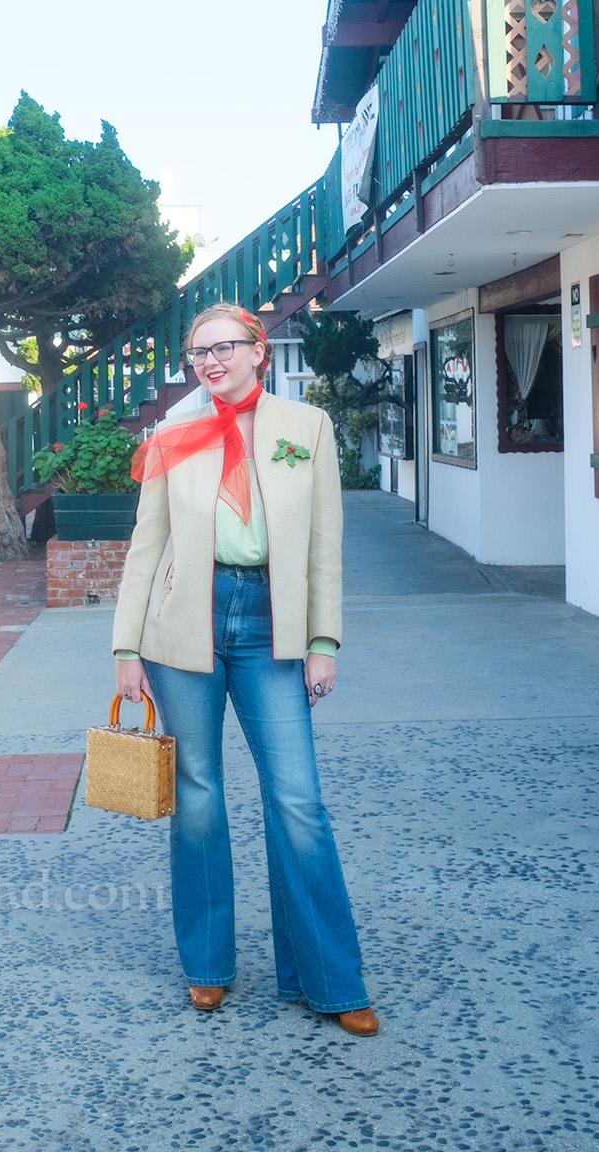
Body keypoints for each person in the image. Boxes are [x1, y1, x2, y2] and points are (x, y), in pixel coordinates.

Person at [112, 303, 377, 1034]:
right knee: (196, 797)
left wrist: (323, 640)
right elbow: (146, 545)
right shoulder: (172, 434)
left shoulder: (307, 430)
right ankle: (206, 967)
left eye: (224, 347)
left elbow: (325, 542)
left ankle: (329, 979)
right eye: (197, 352)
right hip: (183, 626)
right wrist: (125, 648)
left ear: (259, 351)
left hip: (272, 624)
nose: (209, 361)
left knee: (297, 801)